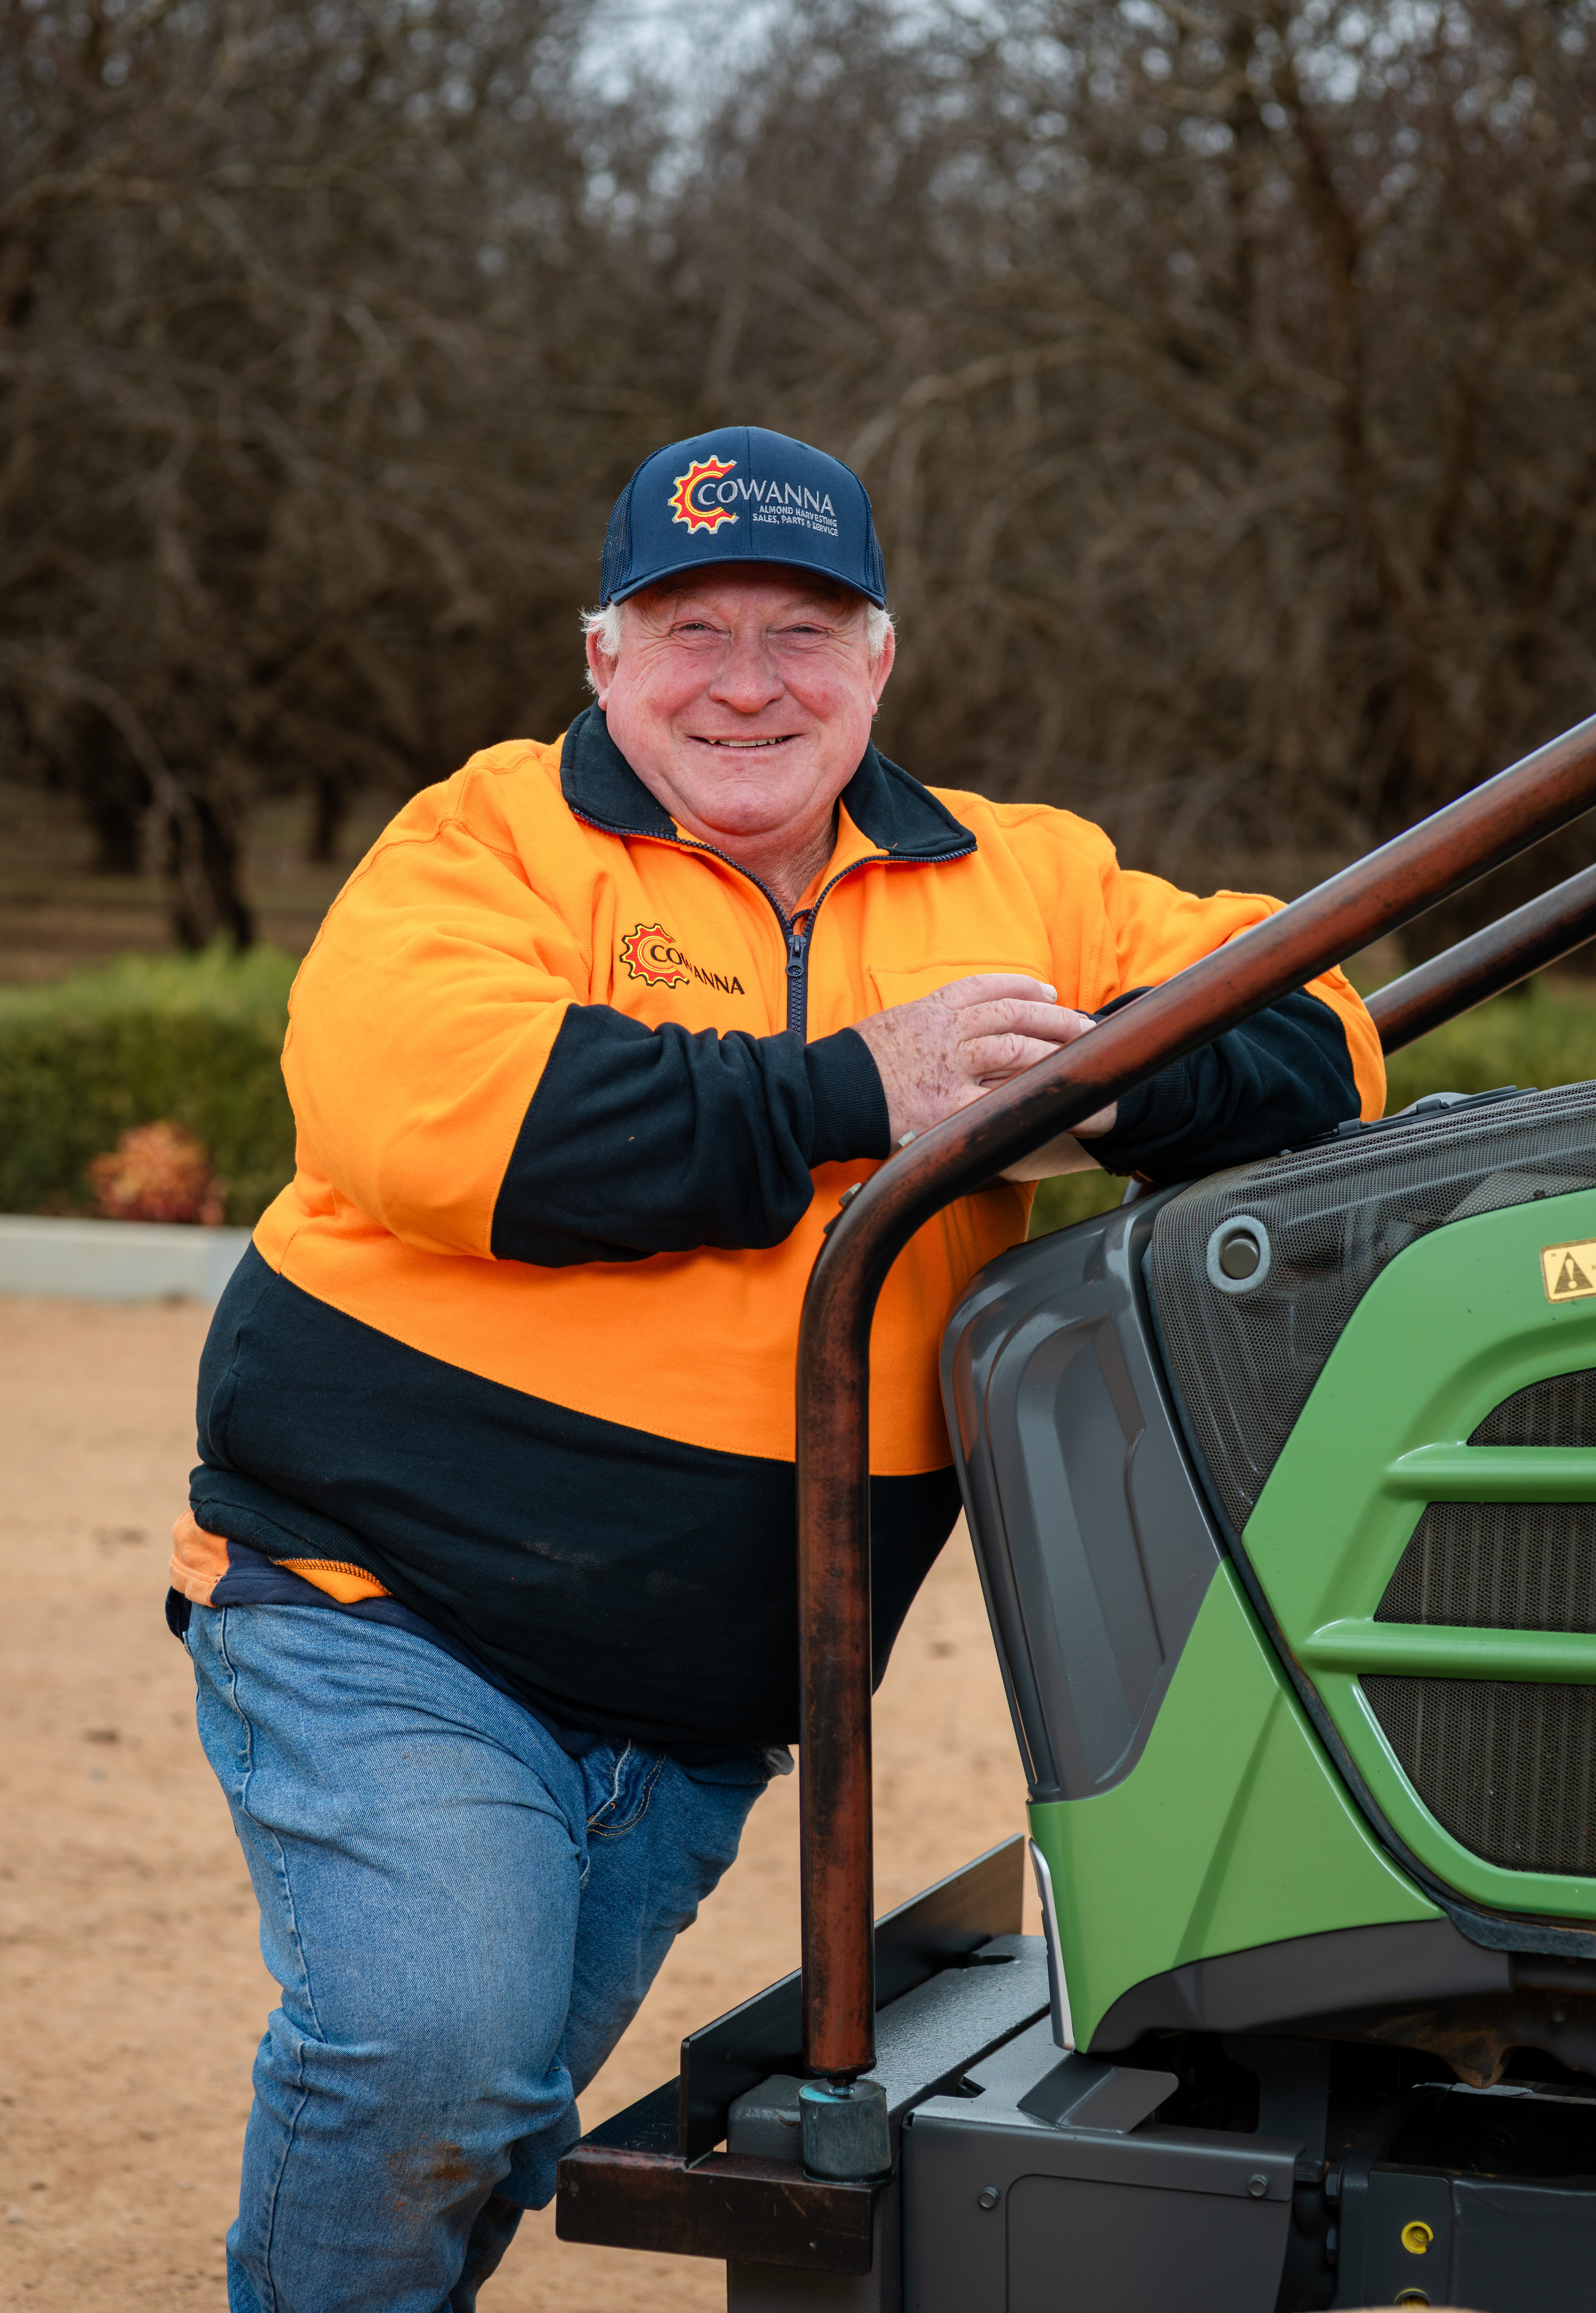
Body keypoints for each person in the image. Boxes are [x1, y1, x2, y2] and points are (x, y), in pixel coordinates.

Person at [168, 424, 1383, 2312]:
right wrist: (857, 1093)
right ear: (604, 658)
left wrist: (1121, 1085)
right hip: (384, 1615)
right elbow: (429, 1111)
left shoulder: (1028, 878)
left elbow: (1328, 1021)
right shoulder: (489, 836)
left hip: (699, 1719)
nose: (749, 683)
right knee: (435, 2060)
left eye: (802, 631)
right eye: (693, 630)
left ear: (880, 659)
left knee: (481, 2120)